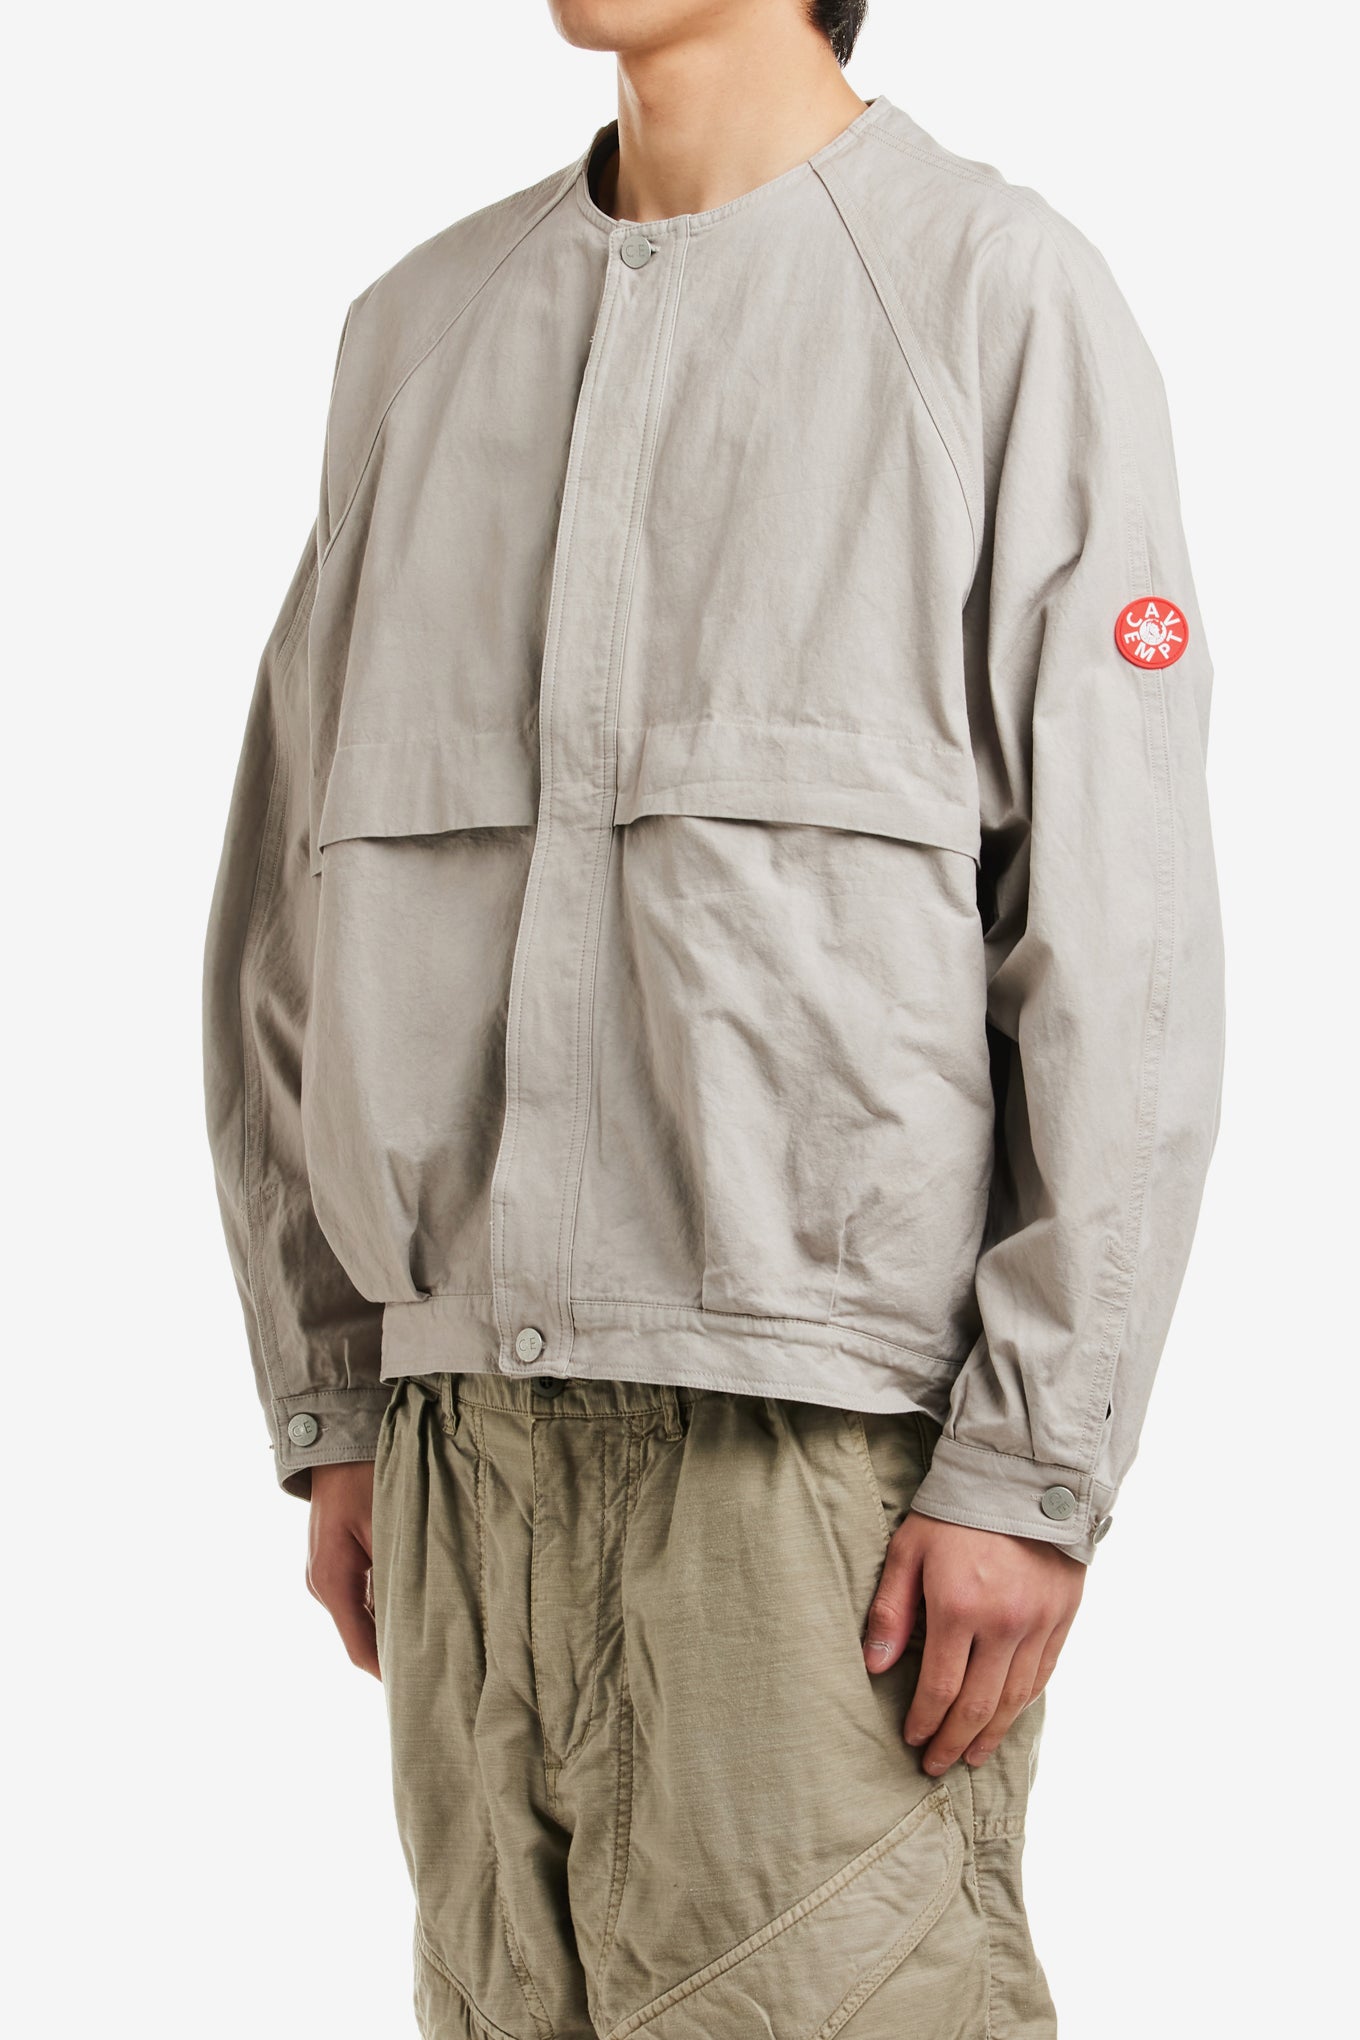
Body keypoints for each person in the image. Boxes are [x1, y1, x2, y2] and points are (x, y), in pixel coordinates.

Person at [202, 2, 1225, 2032]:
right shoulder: (417, 332)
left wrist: (1033, 1463)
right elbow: (285, 903)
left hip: (818, 1475)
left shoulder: (991, 296)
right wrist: (338, 1390)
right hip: (462, 1456)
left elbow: (1118, 939)